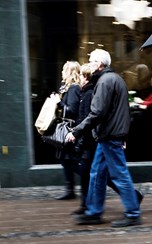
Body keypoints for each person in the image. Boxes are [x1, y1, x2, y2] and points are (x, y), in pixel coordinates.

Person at [66, 48, 142, 227]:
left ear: (99, 64)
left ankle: (132, 213)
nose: (89, 63)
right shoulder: (114, 79)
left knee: (119, 175)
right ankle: (94, 212)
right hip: (109, 135)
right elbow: (121, 111)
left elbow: (97, 113)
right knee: (97, 174)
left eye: (91, 60)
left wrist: (76, 131)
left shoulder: (105, 81)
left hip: (109, 136)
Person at [50, 61, 82, 200]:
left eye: (64, 70)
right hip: (66, 130)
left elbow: (72, 111)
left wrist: (59, 102)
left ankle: (92, 179)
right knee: (65, 160)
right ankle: (70, 189)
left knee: (71, 161)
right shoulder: (66, 87)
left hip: (71, 130)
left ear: (70, 72)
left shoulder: (74, 88)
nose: (62, 72)